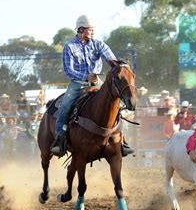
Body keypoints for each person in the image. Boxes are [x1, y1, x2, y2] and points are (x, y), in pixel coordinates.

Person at [50, 14, 133, 157]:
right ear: (81, 29)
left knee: (116, 104)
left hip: (97, 82)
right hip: (77, 83)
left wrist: (118, 66)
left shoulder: (98, 44)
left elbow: (110, 58)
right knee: (65, 106)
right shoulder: (69, 47)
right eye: (90, 29)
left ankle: (121, 140)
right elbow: (68, 70)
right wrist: (85, 76)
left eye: (93, 30)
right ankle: (60, 139)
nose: (93, 32)